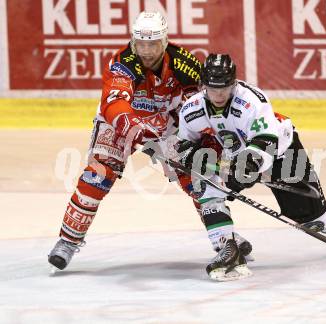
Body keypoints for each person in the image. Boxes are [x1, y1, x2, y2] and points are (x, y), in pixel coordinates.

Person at [48, 12, 252, 270]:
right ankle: (67, 241)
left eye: (152, 44)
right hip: (123, 123)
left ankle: (224, 239)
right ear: (133, 42)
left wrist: (201, 140)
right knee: (97, 175)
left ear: (164, 41)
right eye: (140, 43)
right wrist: (131, 127)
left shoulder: (184, 63)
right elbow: (114, 103)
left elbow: (198, 105)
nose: (146, 50)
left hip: (165, 125)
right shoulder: (123, 62)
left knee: (200, 177)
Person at [176, 53, 326, 281]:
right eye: (213, 88)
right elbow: (185, 143)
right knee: (207, 185)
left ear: (234, 83)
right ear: (203, 86)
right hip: (237, 156)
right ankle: (226, 248)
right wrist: (191, 156)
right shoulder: (191, 109)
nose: (219, 94)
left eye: (225, 87)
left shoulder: (251, 100)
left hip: (282, 151)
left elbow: (266, 141)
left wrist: (247, 167)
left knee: (310, 218)